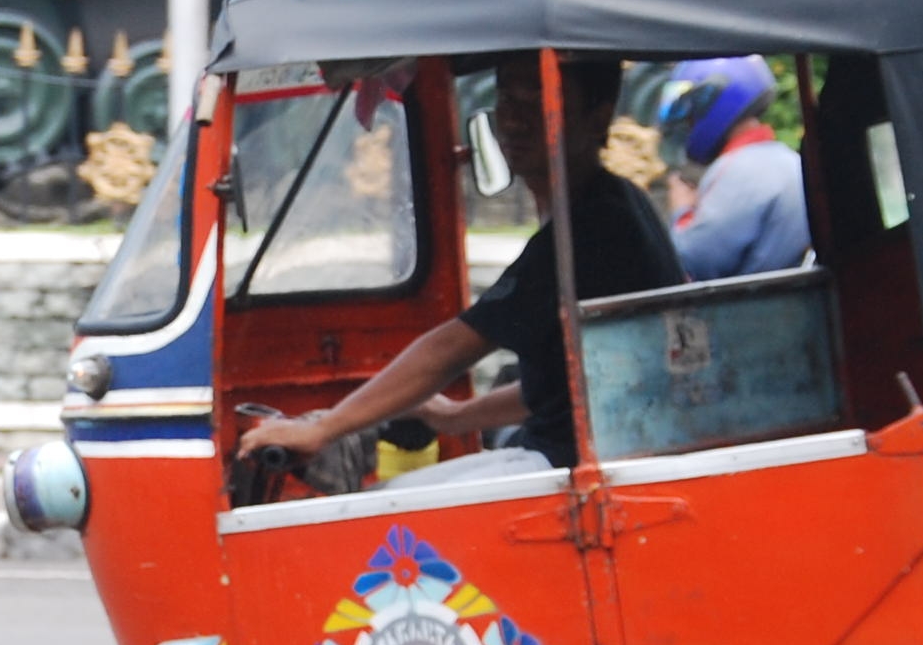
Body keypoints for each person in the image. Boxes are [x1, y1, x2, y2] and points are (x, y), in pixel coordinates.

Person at [245, 54, 679, 476]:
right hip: (580, 448)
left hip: (580, 464)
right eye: (508, 100)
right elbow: (566, 388)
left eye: (538, 100)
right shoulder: (611, 203)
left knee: (381, 525)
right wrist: (458, 416)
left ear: (597, 119)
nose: (513, 120)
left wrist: (323, 429)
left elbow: (452, 348)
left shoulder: (590, 227)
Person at [658, 54, 809, 282]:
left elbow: (694, 261)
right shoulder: (784, 158)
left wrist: (681, 211)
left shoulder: (742, 170)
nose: (687, 124)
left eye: (690, 115)